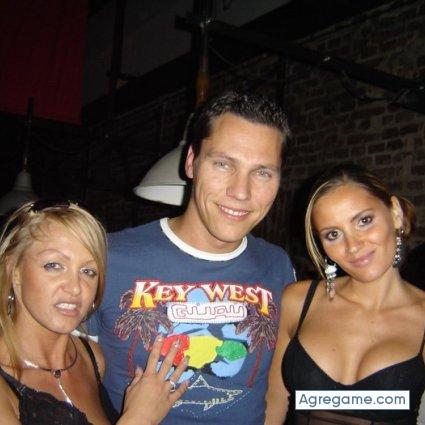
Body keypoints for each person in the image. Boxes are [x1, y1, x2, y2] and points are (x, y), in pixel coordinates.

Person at [88, 90, 296, 424]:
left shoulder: (278, 265)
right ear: (191, 162)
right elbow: (67, 382)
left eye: (262, 173)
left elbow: (277, 383)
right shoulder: (108, 256)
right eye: (223, 164)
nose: (240, 192)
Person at [0, 200, 188, 425]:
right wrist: (139, 418)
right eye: (54, 265)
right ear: (14, 270)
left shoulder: (93, 359)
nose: (75, 288)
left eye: (88, 271)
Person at [266, 164, 425, 424]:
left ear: (395, 213)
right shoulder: (298, 301)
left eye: (364, 221)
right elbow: (272, 408)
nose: (353, 246)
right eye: (333, 234)